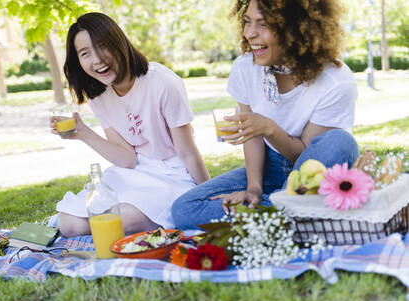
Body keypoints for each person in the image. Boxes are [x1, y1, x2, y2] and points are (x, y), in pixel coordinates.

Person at [171, 0, 359, 228]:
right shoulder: (245, 68)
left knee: (341, 142)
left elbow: (305, 161)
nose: (249, 33)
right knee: (184, 209)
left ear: (297, 28)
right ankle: (284, 213)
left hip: (315, 166)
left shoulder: (335, 81)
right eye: (247, 22)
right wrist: (253, 189)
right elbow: (252, 135)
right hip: (268, 167)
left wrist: (269, 127)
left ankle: (272, 215)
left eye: (263, 24)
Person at [51, 12, 210, 237]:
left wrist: (209, 194)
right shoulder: (99, 96)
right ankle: (107, 227)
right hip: (135, 172)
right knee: (68, 224)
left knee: (127, 218)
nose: (96, 60)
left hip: (173, 174)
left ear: (119, 41)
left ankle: (111, 226)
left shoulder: (162, 82)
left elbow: (187, 153)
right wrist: (83, 132)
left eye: (102, 46)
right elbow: (127, 159)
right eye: (85, 53)